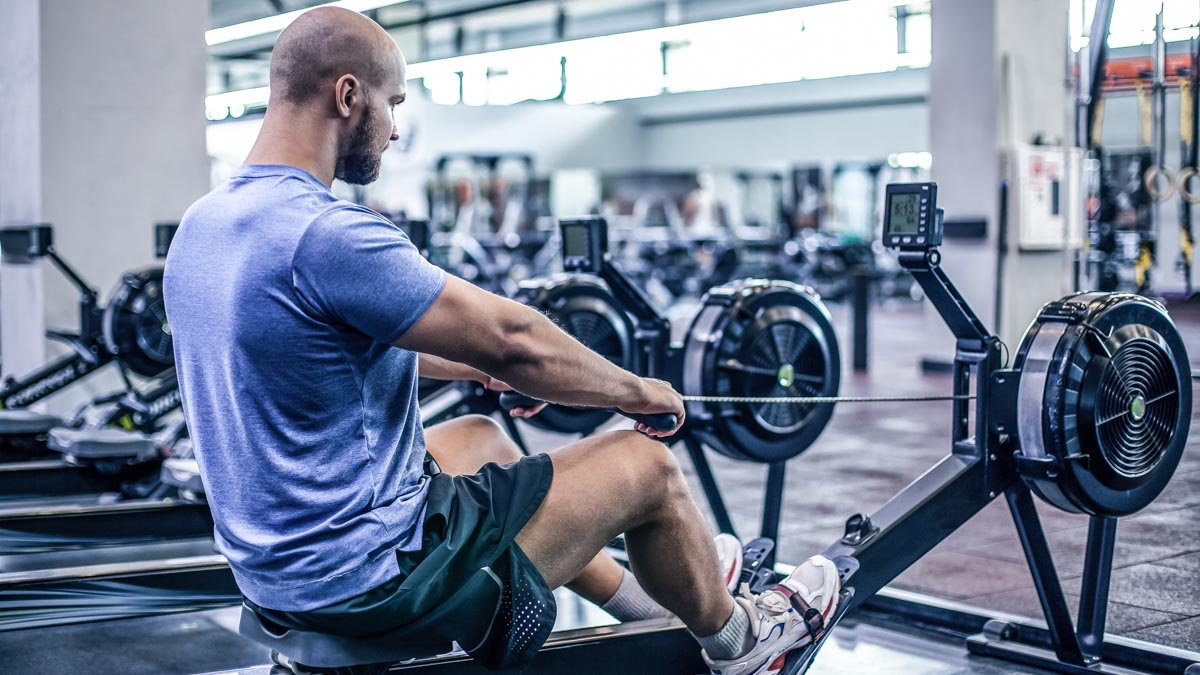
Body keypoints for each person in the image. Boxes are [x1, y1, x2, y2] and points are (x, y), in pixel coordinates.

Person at [164, 7, 840, 674]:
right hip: (365, 578)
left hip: (273, 572)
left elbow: (307, 342)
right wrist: (638, 391)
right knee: (648, 468)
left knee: (480, 438)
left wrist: (467, 364)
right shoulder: (328, 231)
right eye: (392, 104)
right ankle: (744, 639)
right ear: (347, 95)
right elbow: (514, 337)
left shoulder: (207, 224)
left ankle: (655, 601)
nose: (395, 129)